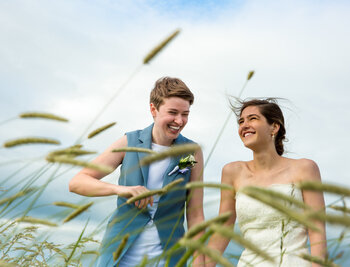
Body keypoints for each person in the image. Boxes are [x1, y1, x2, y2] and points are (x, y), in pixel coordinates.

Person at [69, 77, 205, 267]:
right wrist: (120, 190)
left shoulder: (191, 152)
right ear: (153, 110)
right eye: (172, 113)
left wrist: (200, 262)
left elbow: (196, 214)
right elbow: (77, 182)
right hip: (120, 255)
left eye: (185, 114)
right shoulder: (129, 142)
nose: (179, 121)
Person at [206, 98, 327, 267]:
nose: (244, 125)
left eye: (253, 118)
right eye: (241, 121)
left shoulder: (305, 168)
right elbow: (223, 228)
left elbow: (317, 230)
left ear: (274, 127)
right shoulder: (232, 172)